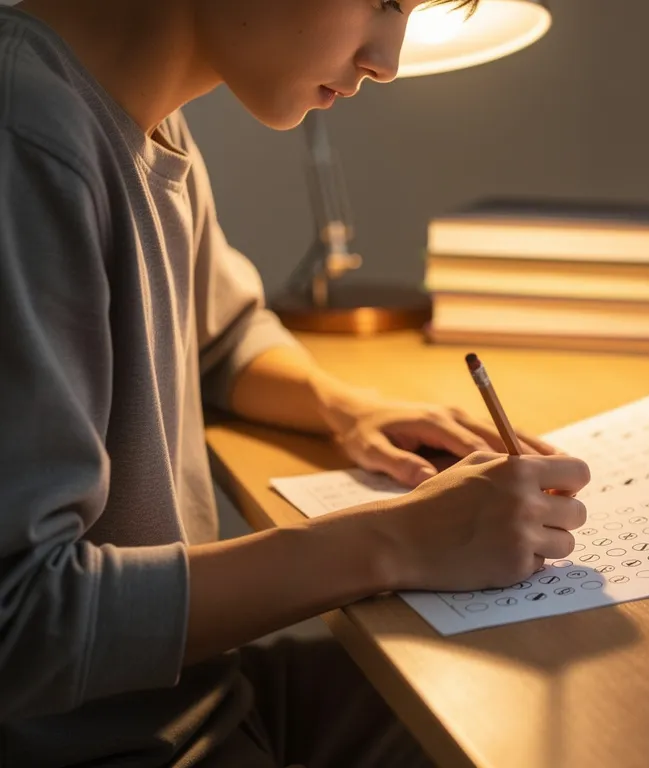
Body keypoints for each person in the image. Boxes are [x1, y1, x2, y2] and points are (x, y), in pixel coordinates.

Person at [0, 0, 590, 764]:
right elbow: (22, 622)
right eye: (382, 1)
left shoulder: (145, 113)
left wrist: (346, 408)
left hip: (186, 697)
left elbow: (222, 337)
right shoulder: (28, 142)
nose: (389, 60)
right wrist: (394, 540)